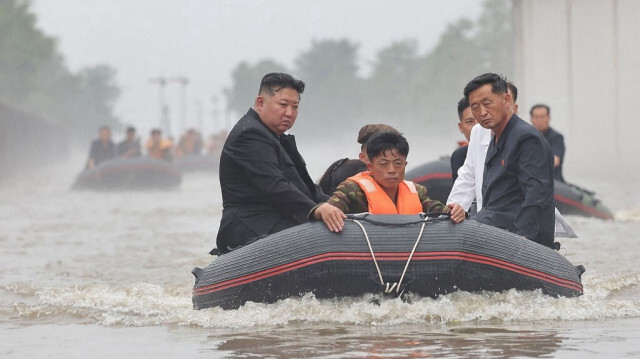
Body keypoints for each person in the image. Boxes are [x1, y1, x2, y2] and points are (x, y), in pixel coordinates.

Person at [215, 72, 328, 254]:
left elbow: (304, 187)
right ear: (260, 103)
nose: (289, 113)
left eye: (295, 107)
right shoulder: (249, 134)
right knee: (322, 238)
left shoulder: (276, 137)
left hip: (276, 219)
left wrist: (338, 205)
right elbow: (275, 187)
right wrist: (315, 211)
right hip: (250, 225)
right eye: (283, 105)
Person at [463, 73, 555, 248]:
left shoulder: (526, 138)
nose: (482, 113)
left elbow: (536, 196)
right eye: (475, 107)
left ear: (506, 100)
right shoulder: (496, 139)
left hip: (517, 237)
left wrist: (521, 240)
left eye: (487, 103)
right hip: (492, 227)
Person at [312, 131, 466, 232]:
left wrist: (455, 211)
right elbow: (331, 209)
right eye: (384, 164)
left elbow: (439, 210)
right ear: (370, 167)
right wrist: (321, 209)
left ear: (405, 165)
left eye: (398, 163)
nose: (392, 170)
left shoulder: (417, 191)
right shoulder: (352, 189)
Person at [447, 82, 518, 211]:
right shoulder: (478, 132)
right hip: (486, 221)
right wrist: (453, 209)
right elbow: (466, 178)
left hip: (516, 222)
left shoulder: (527, 138)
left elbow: (534, 193)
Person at [318, 124, 399, 195]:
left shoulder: (401, 186)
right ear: (362, 157)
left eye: (396, 160)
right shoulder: (349, 177)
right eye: (378, 154)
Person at [530, 104, 566, 182]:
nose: (539, 120)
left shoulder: (556, 137)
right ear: (531, 119)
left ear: (548, 118)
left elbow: (554, 161)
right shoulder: (525, 137)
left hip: (553, 182)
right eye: (536, 117)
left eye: (542, 117)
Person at [450, 97, 477, 181]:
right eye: (470, 121)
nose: (476, 127)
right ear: (461, 127)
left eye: (480, 120)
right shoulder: (458, 157)